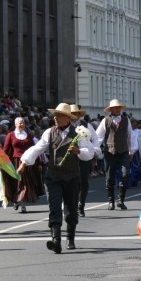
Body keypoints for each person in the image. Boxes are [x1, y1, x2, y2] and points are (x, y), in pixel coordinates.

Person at [17, 103, 93, 253]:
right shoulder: (49, 132)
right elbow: (38, 148)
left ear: (67, 118)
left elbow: (89, 152)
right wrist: (24, 162)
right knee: (54, 206)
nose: (55, 118)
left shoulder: (78, 132)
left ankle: (70, 237)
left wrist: (78, 151)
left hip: (72, 176)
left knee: (71, 210)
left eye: (59, 115)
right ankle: (56, 240)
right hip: (53, 176)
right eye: (55, 115)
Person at [96, 99, 135, 210]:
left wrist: (131, 150)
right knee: (110, 178)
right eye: (115, 108)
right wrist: (95, 149)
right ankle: (110, 201)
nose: (117, 109)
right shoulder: (105, 120)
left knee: (125, 174)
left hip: (123, 151)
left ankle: (120, 200)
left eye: (119, 107)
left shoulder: (126, 120)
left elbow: (130, 136)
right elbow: (99, 136)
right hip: (110, 151)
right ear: (111, 109)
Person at [2, 116, 45, 213]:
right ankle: (17, 200)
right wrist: (1, 163)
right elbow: (5, 150)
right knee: (16, 183)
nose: (21, 124)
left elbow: (34, 150)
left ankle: (22, 203)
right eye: (20, 123)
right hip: (15, 162)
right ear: (15, 124)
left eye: (23, 123)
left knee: (25, 183)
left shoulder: (29, 136)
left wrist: (38, 163)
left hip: (27, 162)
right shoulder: (11, 135)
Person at [70, 104, 99, 217]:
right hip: (70, 157)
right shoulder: (65, 125)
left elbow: (95, 138)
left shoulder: (86, 125)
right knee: (71, 182)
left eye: (76, 113)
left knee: (83, 183)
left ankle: (81, 205)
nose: (74, 115)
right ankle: (72, 204)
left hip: (84, 156)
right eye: (72, 113)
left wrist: (95, 150)